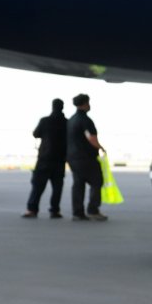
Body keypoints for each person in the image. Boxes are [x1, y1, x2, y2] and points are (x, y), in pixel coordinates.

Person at [22, 99, 67, 219]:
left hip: (44, 159)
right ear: (62, 107)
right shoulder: (66, 122)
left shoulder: (45, 121)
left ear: (52, 107)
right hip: (60, 159)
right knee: (57, 187)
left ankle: (32, 209)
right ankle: (54, 211)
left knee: (38, 186)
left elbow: (36, 134)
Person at [67, 93, 107, 222]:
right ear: (85, 104)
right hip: (86, 157)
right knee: (96, 182)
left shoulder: (71, 120)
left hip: (73, 157)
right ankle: (93, 210)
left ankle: (78, 213)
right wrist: (100, 147)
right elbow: (91, 137)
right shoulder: (85, 120)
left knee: (78, 184)